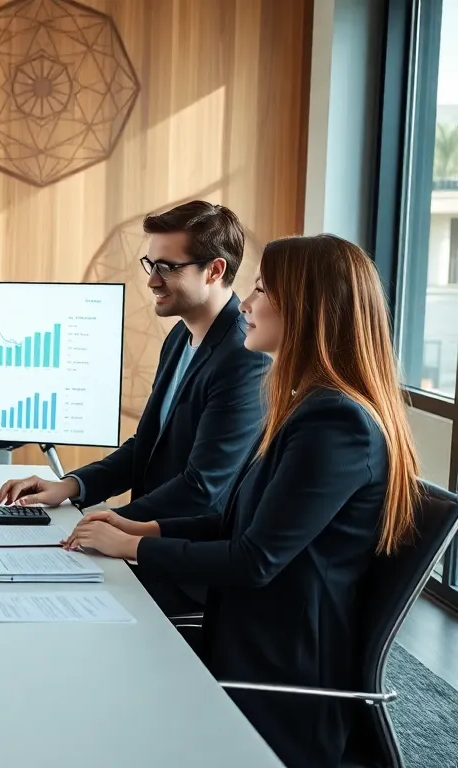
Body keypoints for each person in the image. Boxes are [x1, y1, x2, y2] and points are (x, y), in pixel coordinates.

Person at [64, 234, 419, 768]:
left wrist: (131, 550)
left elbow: (255, 560)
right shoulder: (304, 407)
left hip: (276, 682)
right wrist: (139, 531)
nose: (246, 306)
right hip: (244, 645)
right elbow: (233, 523)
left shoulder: (335, 423)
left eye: (261, 290)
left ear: (308, 310)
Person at [0, 201, 270, 611]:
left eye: (168, 267)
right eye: (150, 264)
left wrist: (113, 524)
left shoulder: (244, 357)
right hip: (142, 545)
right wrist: (69, 487)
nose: (152, 281)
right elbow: (145, 446)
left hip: (184, 567)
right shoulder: (180, 338)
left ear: (214, 270)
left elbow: (203, 487)